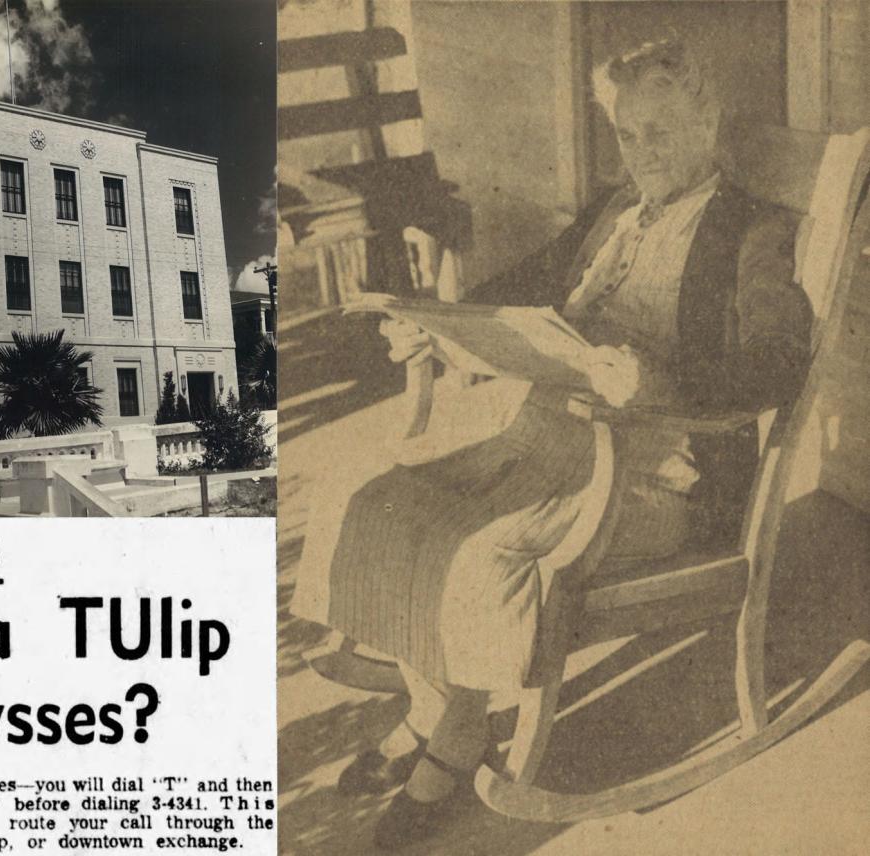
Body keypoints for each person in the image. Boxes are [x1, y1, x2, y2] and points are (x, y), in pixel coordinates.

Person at [290, 39, 812, 849]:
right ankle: (431, 708)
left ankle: (456, 741)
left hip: (661, 478)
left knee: (476, 553)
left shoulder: (752, 229)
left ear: (707, 123)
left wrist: (659, 382)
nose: (643, 154)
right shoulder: (613, 212)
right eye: (630, 134)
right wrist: (436, 328)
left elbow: (777, 364)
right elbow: (519, 291)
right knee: (380, 501)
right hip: (547, 440)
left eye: (664, 131)